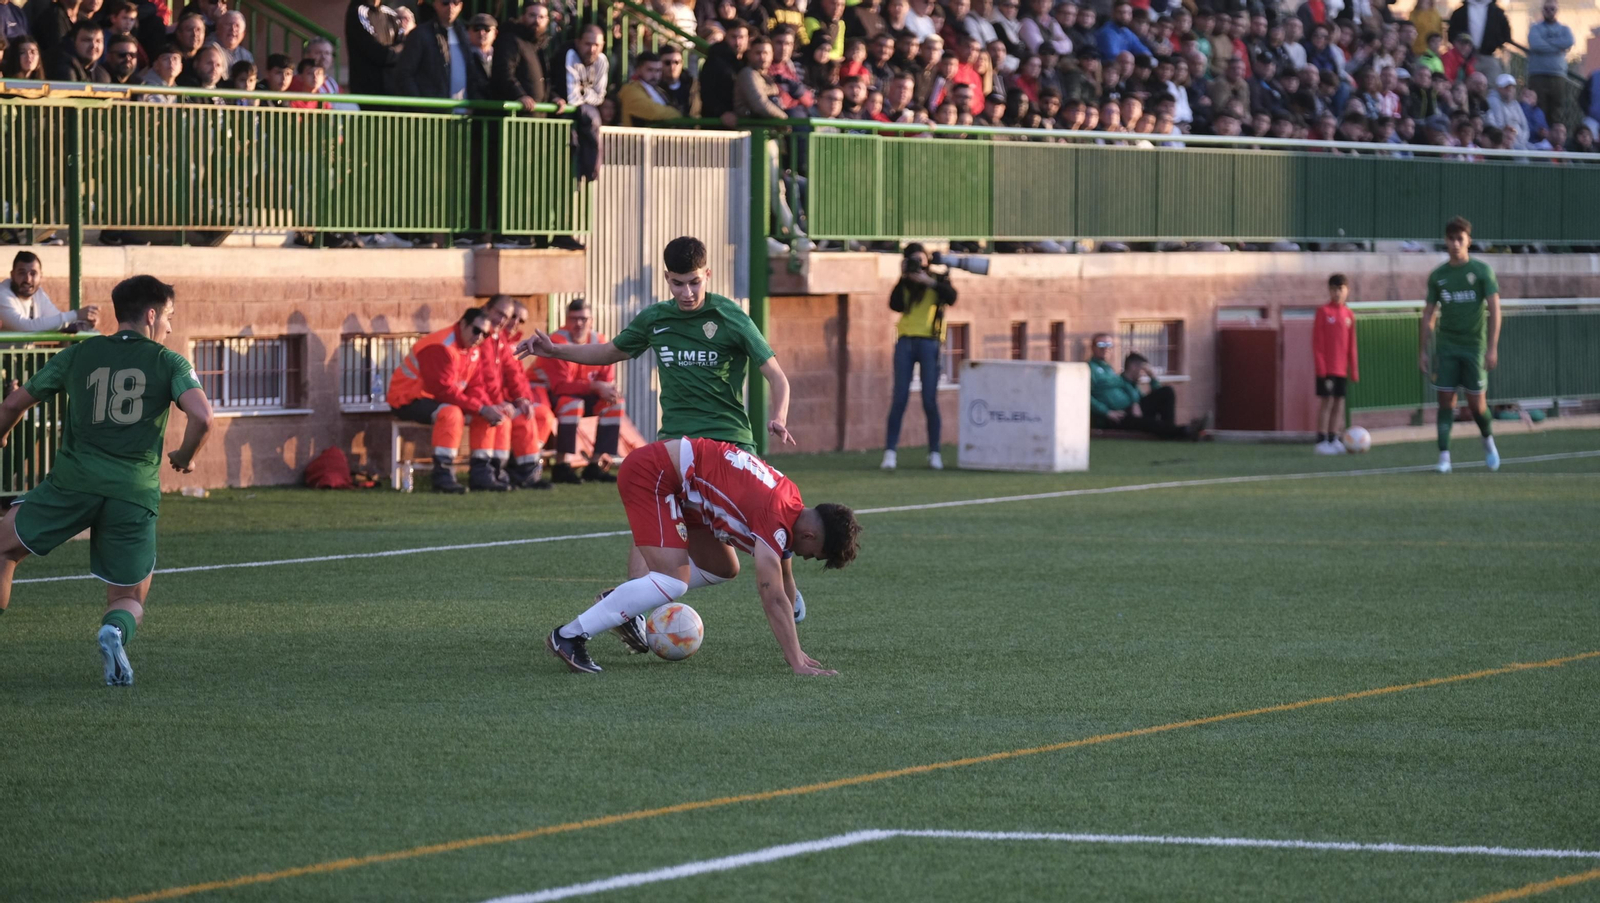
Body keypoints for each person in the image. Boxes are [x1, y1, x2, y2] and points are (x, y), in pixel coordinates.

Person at [518, 237, 812, 621]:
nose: (687, 292)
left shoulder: (730, 316)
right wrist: (556, 350)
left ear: (708, 275)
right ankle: (631, 610)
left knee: (769, 519)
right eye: (678, 283)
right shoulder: (656, 319)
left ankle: (788, 585)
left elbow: (776, 375)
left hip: (729, 442)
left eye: (694, 282)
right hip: (676, 444)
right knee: (654, 520)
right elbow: (610, 352)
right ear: (667, 279)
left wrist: (780, 416)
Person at [0, 275, 213, 687]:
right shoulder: (169, 362)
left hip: (72, 485)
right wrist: (184, 457)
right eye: (169, 316)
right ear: (151, 315)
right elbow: (203, 417)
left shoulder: (80, 353)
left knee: (4, 550)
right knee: (128, 598)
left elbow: (13, 403)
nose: (170, 327)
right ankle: (113, 632)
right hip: (133, 493)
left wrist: (3, 432)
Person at [543, 435, 860, 675]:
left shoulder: (791, 501)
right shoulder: (775, 517)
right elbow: (772, 595)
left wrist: (796, 649)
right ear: (810, 536)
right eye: (816, 554)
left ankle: (625, 599)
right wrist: (796, 662)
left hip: (684, 489)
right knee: (673, 581)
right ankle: (569, 636)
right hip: (654, 475)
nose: (808, 558)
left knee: (722, 567)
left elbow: (785, 578)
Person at [386, 307, 503, 494]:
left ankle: (483, 475)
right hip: (408, 399)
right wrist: (481, 408)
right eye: (476, 330)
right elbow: (443, 391)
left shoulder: (471, 349)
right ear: (463, 324)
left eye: (485, 334)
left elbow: (475, 386)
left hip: (436, 399)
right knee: (451, 414)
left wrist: (487, 408)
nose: (480, 337)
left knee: (485, 416)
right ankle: (443, 476)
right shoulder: (440, 346)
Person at [1420, 217, 1500, 474]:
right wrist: (1423, 350)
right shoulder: (1438, 276)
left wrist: (1492, 347)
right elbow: (1428, 313)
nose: (1455, 244)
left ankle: (1487, 440)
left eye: (1460, 239)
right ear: (1445, 241)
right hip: (1446, 347)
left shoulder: (1481, 271)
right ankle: (1444, 457)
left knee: (1477, 406)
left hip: (1474, 347)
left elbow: (1495, 310)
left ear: (1468, 241)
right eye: (1451, 239)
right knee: (1445, 401)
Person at [529, 298, 624, 485]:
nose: (579, 323)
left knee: (614, 403)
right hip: (546, 393)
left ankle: (595, 466)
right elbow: (560, 386)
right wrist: (595, 386)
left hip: (579, 392)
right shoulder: (556, 342)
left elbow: (606, 379)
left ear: (592, 321)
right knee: (571, 404)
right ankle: (561, 466)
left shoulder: (600, 342)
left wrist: (609, 390)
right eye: (574, 319)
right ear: (566, 321)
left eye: (583, 319)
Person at [881, 243, 954, 472]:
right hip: (905, 341)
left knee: (929, 399)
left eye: (921, 260)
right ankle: (890, 453)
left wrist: (928, 281)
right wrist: (904, 277)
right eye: (913, 261)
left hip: (930, 341)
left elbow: (951, 297)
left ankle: (934, 453)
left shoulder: (937, 280)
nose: (918, 265)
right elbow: (895, 304)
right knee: (899, 398)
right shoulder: (905, 283)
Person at [1087, 333, 1197, 439]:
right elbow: (1084, 396)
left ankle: (1175, 431)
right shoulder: (1089, 368)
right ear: (1093, 347)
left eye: (1109, 345)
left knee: (1167, 391)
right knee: (1151, 423)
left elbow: (1133, 390)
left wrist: (1152, 379)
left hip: (1129, 410)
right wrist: (1107, 412)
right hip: (1115, 417)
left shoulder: (1110, 370)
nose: (1105, 348)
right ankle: (1182, 431)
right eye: (1101, 344)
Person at [1312, 273, 1359, 454]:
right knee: (1327, 402)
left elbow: (1351, 345)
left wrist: (1354, 369)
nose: (1337, 293)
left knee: (1339, 403)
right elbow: (1317, 343)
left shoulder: (1349, 315)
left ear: (1347, 290)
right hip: (1327, 369)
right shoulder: (1323, 312)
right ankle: (1321, 440)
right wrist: (1321, 368)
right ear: (1329, 291)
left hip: (1341, 369)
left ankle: (1334, 438)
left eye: (1340, 289)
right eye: (1333, 289)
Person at [1, 252, 98, 333]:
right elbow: (24, 326)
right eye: (22, 273)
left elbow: (55, 320)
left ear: (41, 276)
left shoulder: (38, 293)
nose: (28, 279)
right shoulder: (2, 293)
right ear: (12, 275)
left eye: (33, 273)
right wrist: (76, 315)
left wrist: (85, 323)